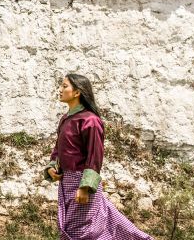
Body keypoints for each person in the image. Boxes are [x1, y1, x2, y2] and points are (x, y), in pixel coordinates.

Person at [44, 74, 152, 240]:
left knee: (82, 232)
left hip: (82, 182)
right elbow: (58, 148)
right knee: (71, 227)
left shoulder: (90, 121)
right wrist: (52, 167)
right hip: (66, 183)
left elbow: (95, 157)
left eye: (64, 86)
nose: (60, 90)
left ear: (77, 92)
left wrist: (85, 187)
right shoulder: (65, 119)